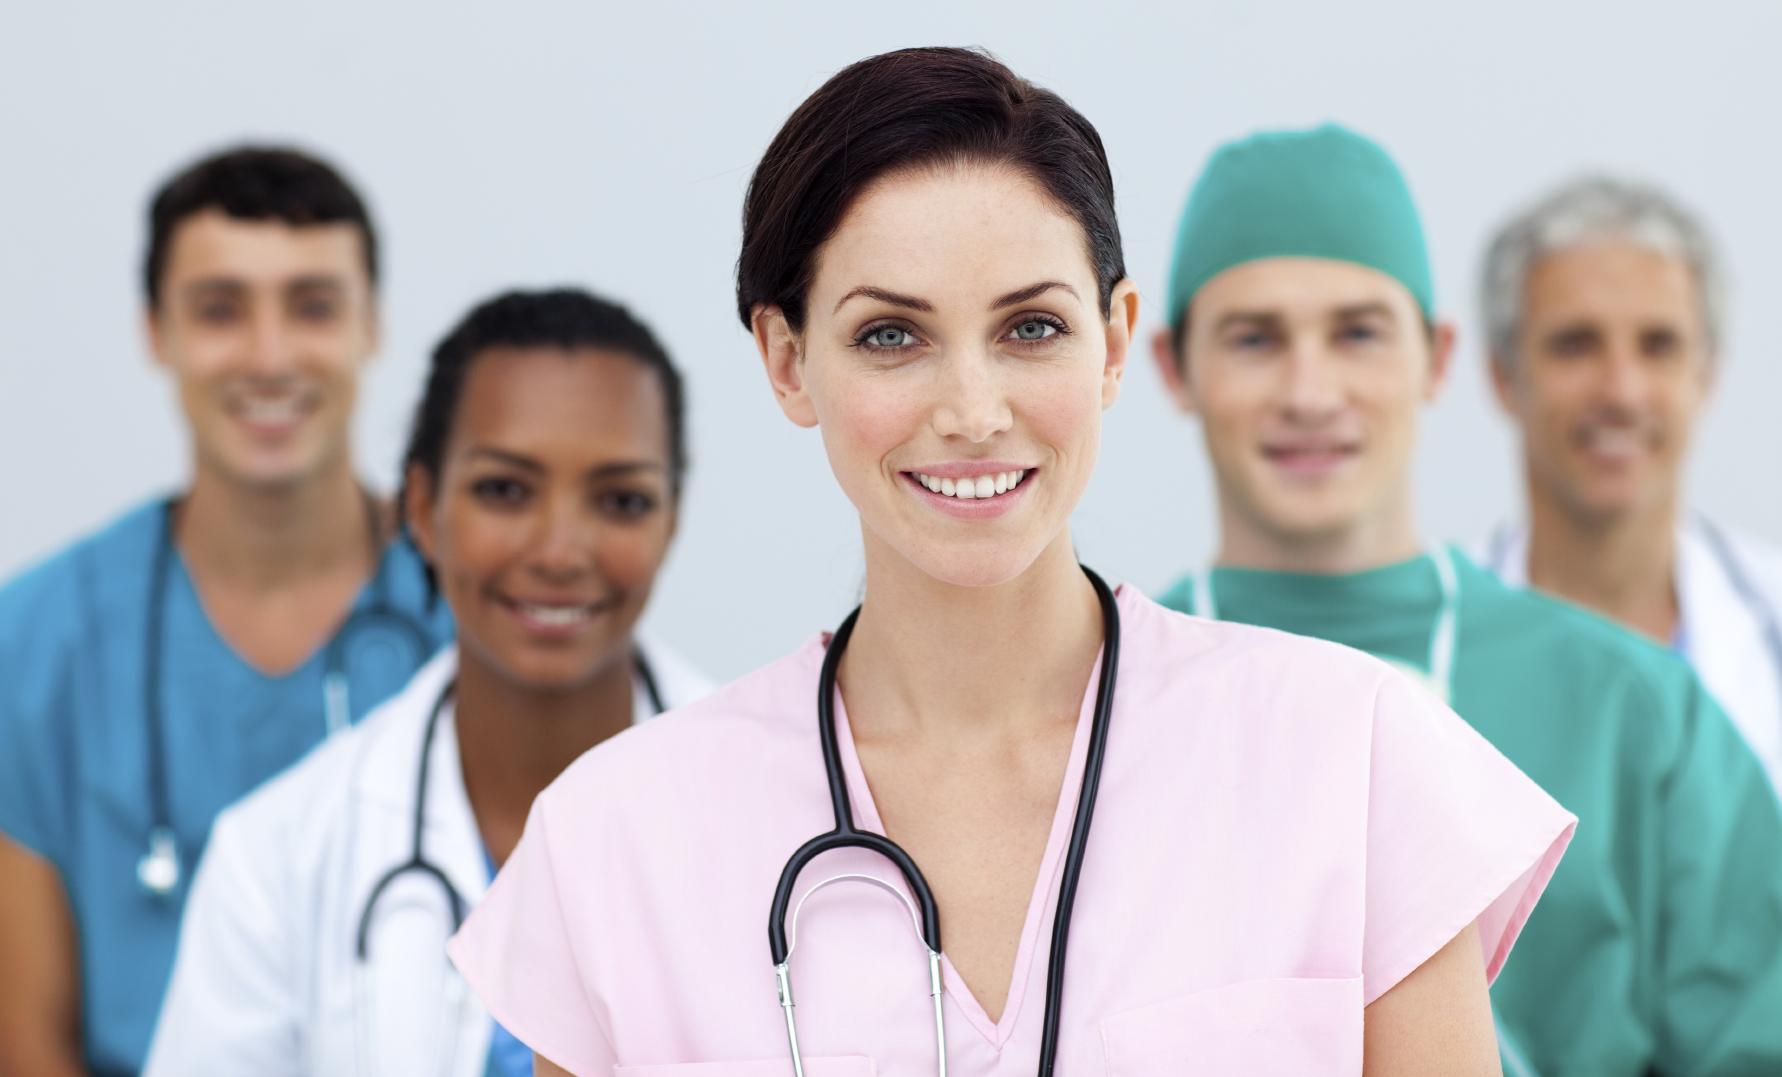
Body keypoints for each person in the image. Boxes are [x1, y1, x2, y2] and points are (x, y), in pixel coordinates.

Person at [448, 49, 1573, 1077]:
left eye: (1031, 328)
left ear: (1115, 342)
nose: (973, 411)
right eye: (891, 335)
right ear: (787, 361)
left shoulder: (1354, 761)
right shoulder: (618, 839)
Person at [1148, 125, 1782, 1076]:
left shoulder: (1635, 712)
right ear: (1172, 367)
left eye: (1359, 333)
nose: (1310, 392)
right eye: (1255, 339)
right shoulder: (1096, 699)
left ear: (1439, 359)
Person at [141, 288, 713, 1077]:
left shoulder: (787, 813)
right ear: (420, 507)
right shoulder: (277, 857)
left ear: (670, 520)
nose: (559, 550)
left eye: (621, 499)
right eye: (505, 489)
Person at [0, 146, 453, 1077]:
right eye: (220, 309)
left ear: (372, 325)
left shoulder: (475, 611)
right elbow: (29, 1044)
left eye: (313, 306)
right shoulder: (38, 638)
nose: (269, 356)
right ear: (155, 332)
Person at [1476, 177, 1782, 795]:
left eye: (1658, 346)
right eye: (1575, 345)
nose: (1621, 390)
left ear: (1706, 376)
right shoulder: (1430, 653)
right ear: (1504, 376)